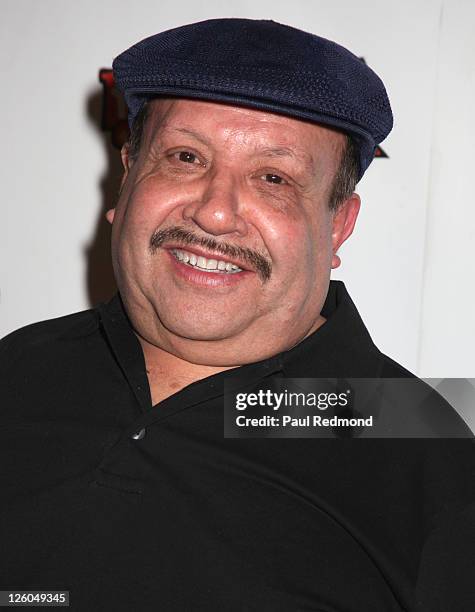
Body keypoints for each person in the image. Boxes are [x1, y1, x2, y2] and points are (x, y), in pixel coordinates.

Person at [0, 18, 473, 612]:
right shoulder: (18, 367)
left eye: (273, 178)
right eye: (185, 157)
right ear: (127, 177)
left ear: (338, 226)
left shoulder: (432, 457)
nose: (216, 213)